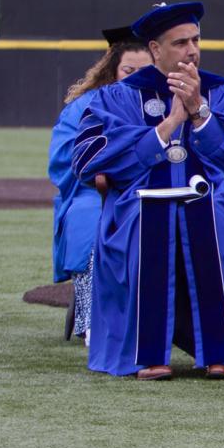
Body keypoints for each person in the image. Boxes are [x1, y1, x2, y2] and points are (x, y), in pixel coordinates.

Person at [72, 1, 224, 380]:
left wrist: (201, 113)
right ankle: (146, 355)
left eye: (195, 40)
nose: (192, 50)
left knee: (217, 224)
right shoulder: (117, 98)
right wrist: (167, 127)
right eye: (180, 43)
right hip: (138, 203)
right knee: (144, 226)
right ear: (155, 50)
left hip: (211, 199)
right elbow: (88, 156)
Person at [48, 25, 151, 342]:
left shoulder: (169, 100)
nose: (135, 77)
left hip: (156, 189)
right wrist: (109, 173)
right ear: (113, 69)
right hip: (96, 192)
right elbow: (64, 160)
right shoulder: (85, 106)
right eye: (128, 70)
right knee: (89, 219)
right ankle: (95, 320)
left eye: (144, 71)